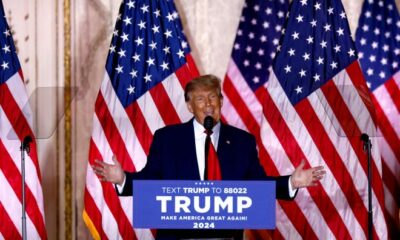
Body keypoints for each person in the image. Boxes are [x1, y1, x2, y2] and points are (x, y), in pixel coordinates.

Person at [93, 74, 325, 239]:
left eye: (213, 98)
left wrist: (291, 182)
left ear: (221, 102)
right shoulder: (167, 138)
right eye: (200, 99)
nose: (208, 105)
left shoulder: (243, 141)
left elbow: (257, 185)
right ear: (189, 106)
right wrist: (123, 179)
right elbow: (151, 180)